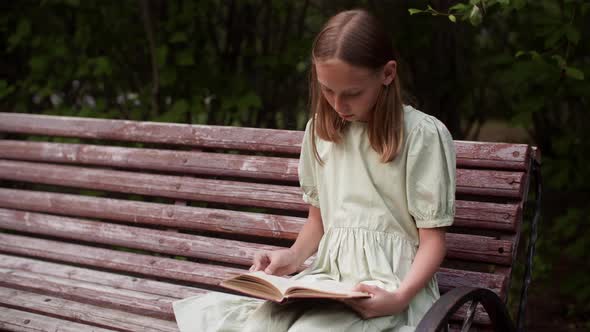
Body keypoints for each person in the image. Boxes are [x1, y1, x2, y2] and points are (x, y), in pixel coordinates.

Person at [173, 8, 455, 332]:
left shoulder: (421, 136)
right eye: (327, 90)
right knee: (258, 325)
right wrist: (291, 259)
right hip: (328, 281)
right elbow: (318, 221)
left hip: (389, 287)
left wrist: (399, 297)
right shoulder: (320, 132)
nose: (338, 104)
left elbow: (433, 241)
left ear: (388, 74)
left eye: (352, 93)